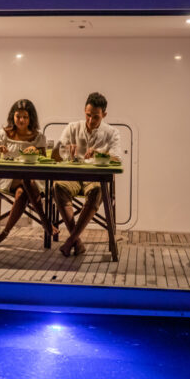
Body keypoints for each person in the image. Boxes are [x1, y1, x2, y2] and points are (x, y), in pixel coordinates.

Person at [52, 92, 121, 256]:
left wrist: (99, 154)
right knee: (57, 186)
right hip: (73, 177)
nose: (90, 121)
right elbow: (56, 155)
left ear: (104, 114)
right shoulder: (72, 127)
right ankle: (77, 241)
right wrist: (62, 151)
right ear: (84, 110)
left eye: (96, 117)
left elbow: (117, 159)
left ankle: (70, 241)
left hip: (95, 178)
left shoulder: (112, 133)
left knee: (97, 190)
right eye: (88, 115)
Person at [0, 99, 56, 246]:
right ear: (13, 116)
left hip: (33, 183)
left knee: (23, 190)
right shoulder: (3, 134)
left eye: (25, 117)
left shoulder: (38, 137)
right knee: (26, 181)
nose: (21, 120)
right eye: (18, 116)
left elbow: (43, 160)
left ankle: (4, 234)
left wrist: (36, 151)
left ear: (31, 119)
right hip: (8, 180)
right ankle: (45, 221)